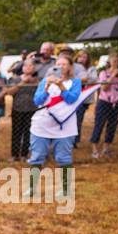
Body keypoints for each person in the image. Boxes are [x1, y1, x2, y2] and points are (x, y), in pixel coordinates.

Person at [27, 52, 82, 198]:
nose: (61, 67)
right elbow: (37, 101)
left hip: (65, 126)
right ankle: (32, 188)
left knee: (64, 158)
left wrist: (61, 86)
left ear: (70, 67)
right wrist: (46, 87)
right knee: (36, 156)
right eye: (58, 64)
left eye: (64, 64)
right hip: (42, 124)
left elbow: (72, 99)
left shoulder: (75, 82)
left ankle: (65, 190)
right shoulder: (45, 81)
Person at [89, 53, 118, 160]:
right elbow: (104, 88)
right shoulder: (103, 73)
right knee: (99, 124)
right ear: (110, 61)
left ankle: (106, 148)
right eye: (114, 60)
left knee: (112, 126)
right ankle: (95, 149)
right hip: (105, 102)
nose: (116, 63)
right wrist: (112, 75)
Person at [7, 57, 40, 162]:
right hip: (18, 109)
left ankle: (24, 154)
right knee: (16, 132)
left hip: (32, 109)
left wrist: (34, 81)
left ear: (34, 68)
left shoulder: (38, 80)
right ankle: (14, 154)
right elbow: (10, 92)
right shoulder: (15, 79)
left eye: (31, 65)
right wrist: (22, 83)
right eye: (26, 65)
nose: (29, 67)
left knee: (28, 132)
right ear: (23, 67)